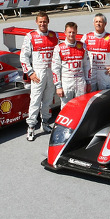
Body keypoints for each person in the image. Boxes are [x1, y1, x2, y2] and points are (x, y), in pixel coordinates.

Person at [19, 12, 58, 141]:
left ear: (48, 21)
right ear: (36, 22)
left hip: (51, 72)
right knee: (35, 100)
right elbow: (23, 56)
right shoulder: (31, 36)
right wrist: (30, 72)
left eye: (45, 21)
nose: (42, 24)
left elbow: (60, 54)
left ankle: (45, 123)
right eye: (40, 22)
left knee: (48, 100)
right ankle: (31, 127)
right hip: (38, 73)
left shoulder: (54, 35)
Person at [52, 22, 91, 107]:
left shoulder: (83, 46)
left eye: (73, 32)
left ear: (76, 32)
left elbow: (87, 65)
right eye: (69, 32)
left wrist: (88, 82)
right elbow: (55, 68)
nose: (71, 34)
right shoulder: (59, 48)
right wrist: (58, 86)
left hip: (80, 81)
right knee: (66, 107)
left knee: (81, 106)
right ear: (65, 33)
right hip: (66, 82)